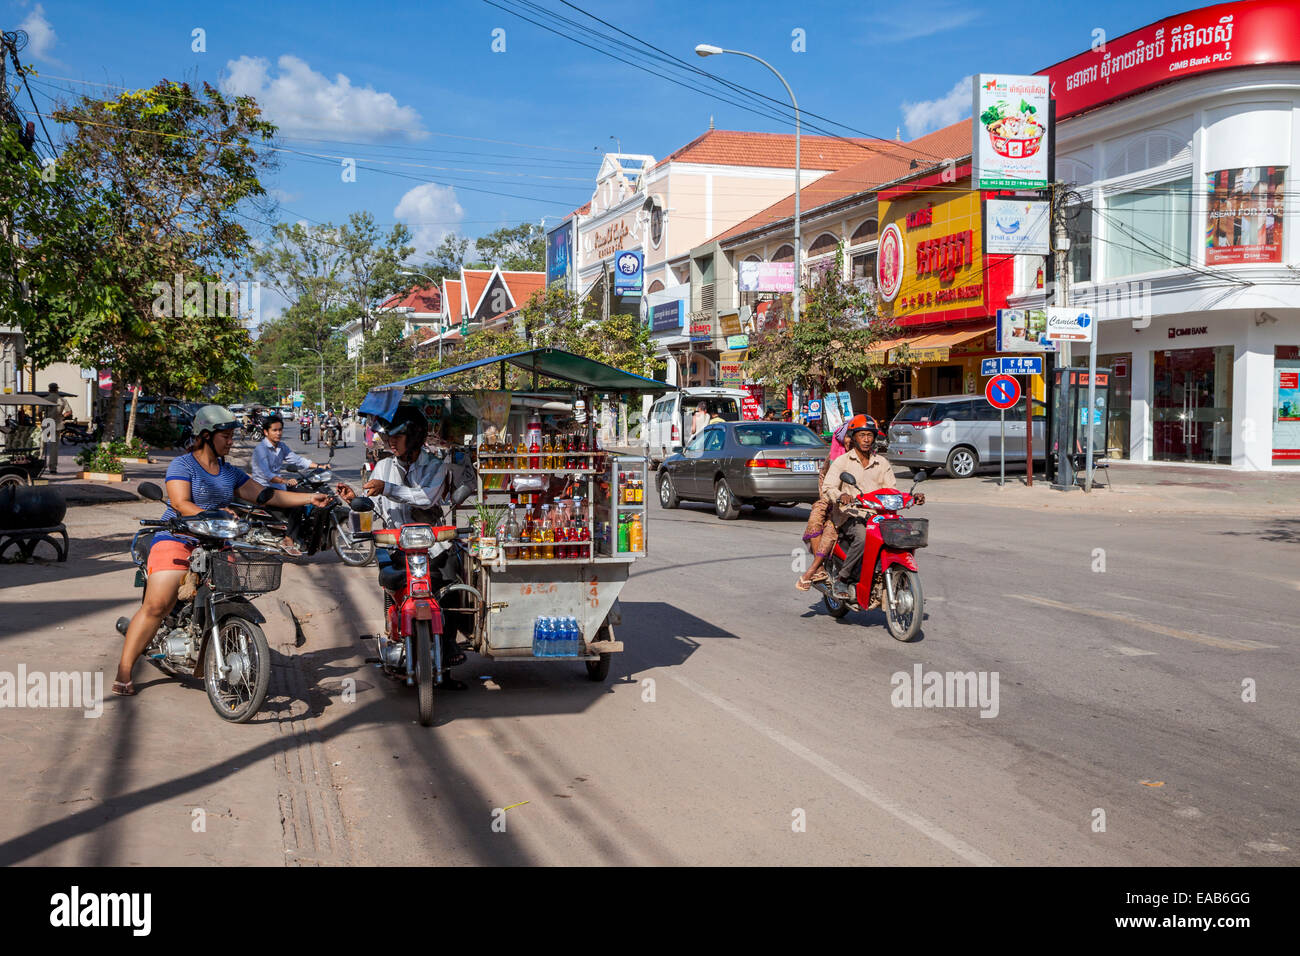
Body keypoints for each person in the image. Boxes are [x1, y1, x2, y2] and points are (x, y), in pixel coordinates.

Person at [113, 406, 333, 697]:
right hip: (178, 536)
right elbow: (180, 503)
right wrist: (212, 515)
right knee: (159, 604)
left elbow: (267, 495)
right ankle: (124, 671)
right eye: (226, 436)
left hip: (217, 539)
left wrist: (309, 497)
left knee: (233, 588)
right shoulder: (183, 465)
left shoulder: (230, 472)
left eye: (231, 436)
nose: (231, 442)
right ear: (206, 436)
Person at [337, 406, 469, 688]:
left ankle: (446, 647)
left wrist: (386, 488)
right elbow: (371, 500)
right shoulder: (383, 467)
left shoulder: (435, 465)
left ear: (416, 436)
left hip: (431, 546)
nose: (391, 442)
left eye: (399, 436)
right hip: (396, 546)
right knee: (391, 582)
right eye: (389, 437)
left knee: (452, 583)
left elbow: (424, 498)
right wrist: (354, 500)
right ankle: (396, 632)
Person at [822, 414, 924, 602]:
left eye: (870, 435)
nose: (867, 439)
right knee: (862, 536)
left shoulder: (882, 463)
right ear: (854, 437)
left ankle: (900, 580)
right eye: (862, 435)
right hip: (852, 515)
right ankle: (843, 578)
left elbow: (892, 490)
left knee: (906, 534)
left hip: (879, 516)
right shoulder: (843, 461)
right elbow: (828, 487)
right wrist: (841, 496)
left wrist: (910, 498)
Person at [250, 413, 320, 552]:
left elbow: (297, 460)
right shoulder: (260, 450)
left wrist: (319, 467)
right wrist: (285, 481)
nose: (278, 433)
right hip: (264, 489)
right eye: (274, 430)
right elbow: (267, 475)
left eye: (280, 430)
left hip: (278, 487)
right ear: (266, 432)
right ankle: (288, 539)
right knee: (297, 504)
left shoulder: (281, 446)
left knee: (308, 494)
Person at [796, 419, 852, 591]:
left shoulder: (870, 458)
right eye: (848, 437)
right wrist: (832, 498)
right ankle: (817, 568)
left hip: (862, 503)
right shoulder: (834, 458)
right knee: (819, 518)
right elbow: (824, 481)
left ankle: (812, 569)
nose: (851, 440)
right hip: (834, 500)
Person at [42, 383, 72, 474]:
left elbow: (39, 412)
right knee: (54, 446)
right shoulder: (62, 400)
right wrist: (62, 416)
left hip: (47, 423)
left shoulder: (45, 399)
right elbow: (69, 412)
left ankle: (40, 463)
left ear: (49, 390)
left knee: (42, 444)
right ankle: (53, 467)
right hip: (56, 423)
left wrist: (42, 420)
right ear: (57, 389)